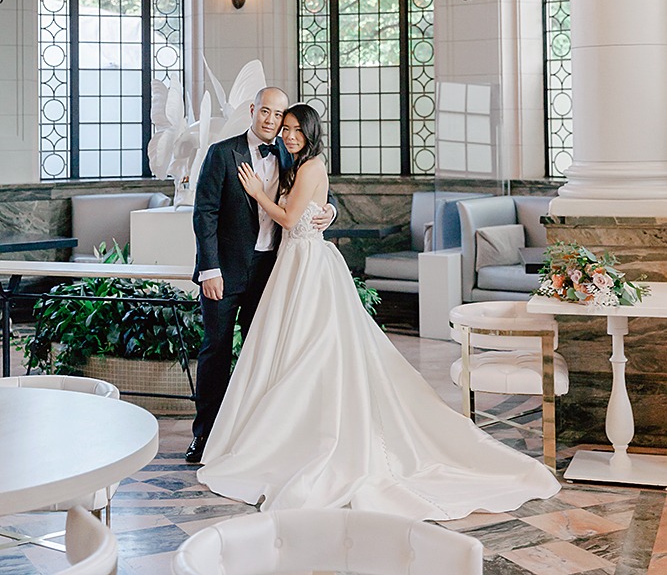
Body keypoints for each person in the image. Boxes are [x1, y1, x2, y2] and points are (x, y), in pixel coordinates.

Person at [198, 104, 561, 520]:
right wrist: (322, 209)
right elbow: (228, 211)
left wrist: (266, 195)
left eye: (296, 128)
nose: (289, 133)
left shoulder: (309, 165)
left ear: (311, 132)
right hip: (281, 266)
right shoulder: (275, 158)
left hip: (306, 265)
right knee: (274, 352)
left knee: (314, 349)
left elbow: (292, 212)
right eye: (286, 127)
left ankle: (309, 435)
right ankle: (252, 433)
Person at [185, 87, 335, 464]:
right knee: (215, 351)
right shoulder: (223, 152)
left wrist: (330, 211)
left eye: (279, 116)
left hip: (274, 272)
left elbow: (315, 195)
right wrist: (209, 270)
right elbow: (204, 214)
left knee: (265, 355)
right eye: (265, 112)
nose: (272, 122)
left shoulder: (292, 154)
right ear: (253, 110)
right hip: (226, 272)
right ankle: (204, 437)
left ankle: (251, 436)